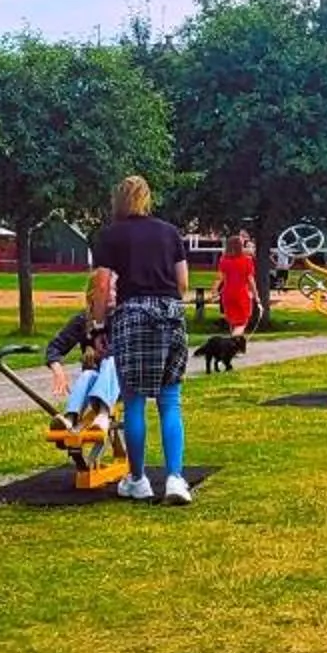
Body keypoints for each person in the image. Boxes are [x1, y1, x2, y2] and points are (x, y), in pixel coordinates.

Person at [92, 174, 193, 504]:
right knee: (170, 400)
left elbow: (102, 285)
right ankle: (175, 479)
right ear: (147, 199)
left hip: (133, 315)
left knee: (134, 401)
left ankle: (138, 479)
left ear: (118, 200)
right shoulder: (169, 232)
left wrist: (98, 327)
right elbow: (182, 283)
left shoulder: (110, 235)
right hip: (170, 315)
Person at [44, 269, 122, 437]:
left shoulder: (121, 318)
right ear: (93, 294)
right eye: (108, 290)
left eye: (115, 289)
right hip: (96, 382)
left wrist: (96, 353)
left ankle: (103, 414)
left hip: (119, 383)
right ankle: (70, 418)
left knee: (110, 361)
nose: (113, 294)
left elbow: (121, 349)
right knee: (87, 374)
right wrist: (58, 369)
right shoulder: (82, 320)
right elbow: (55, 347)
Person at [216, 231, 258, 337]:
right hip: (241, 293)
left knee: (233, 321)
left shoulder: (224, 260)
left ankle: (236, 343)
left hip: (227, 294)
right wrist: (256, 295)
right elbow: (250, 280)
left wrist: (214, 292)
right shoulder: (247, 260)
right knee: (242, 323)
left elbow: (220, 278)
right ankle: (232, 342)